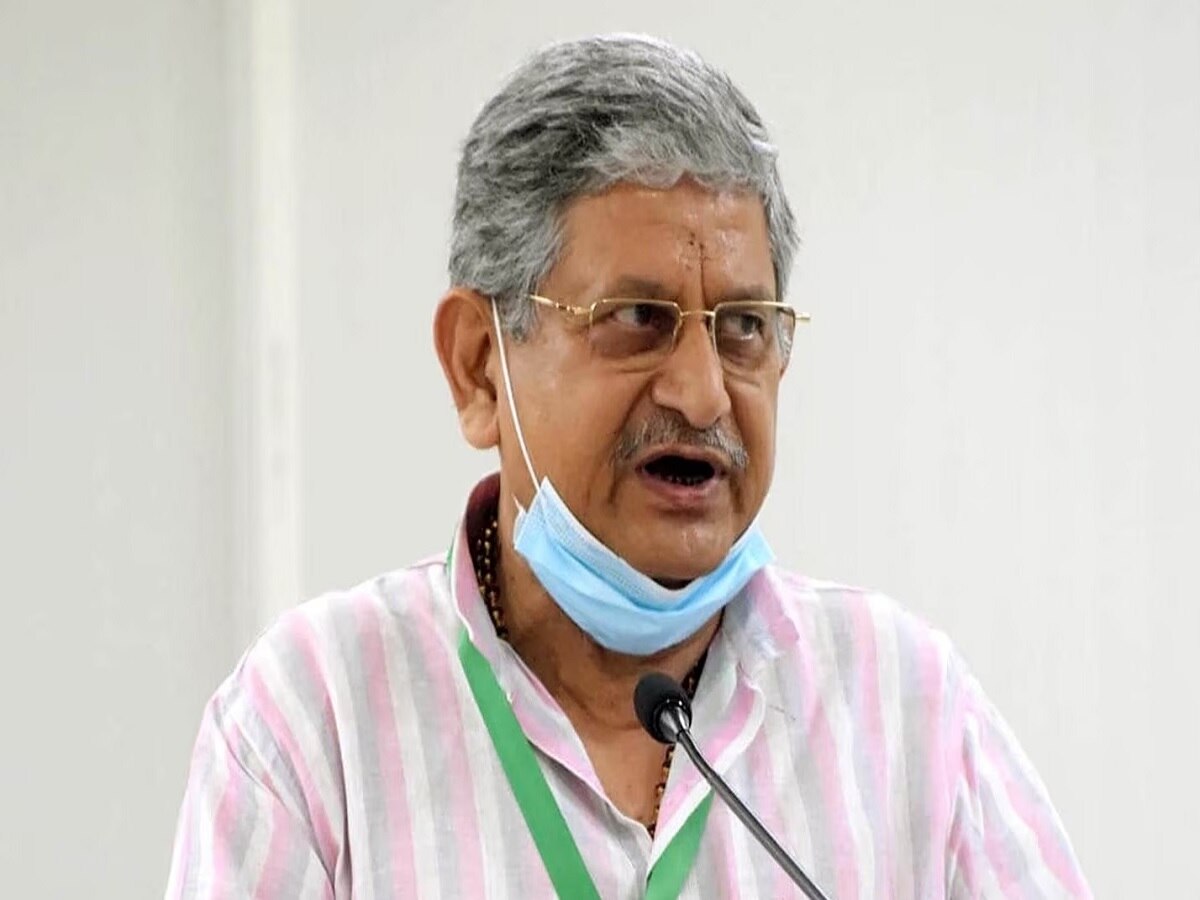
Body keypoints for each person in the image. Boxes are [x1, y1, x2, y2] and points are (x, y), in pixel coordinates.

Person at [165, 34, 1091, 899]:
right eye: (638, 320)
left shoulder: (908, 710)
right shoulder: (312, 722)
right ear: (481, 366)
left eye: (743, 327)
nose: (703, 393)